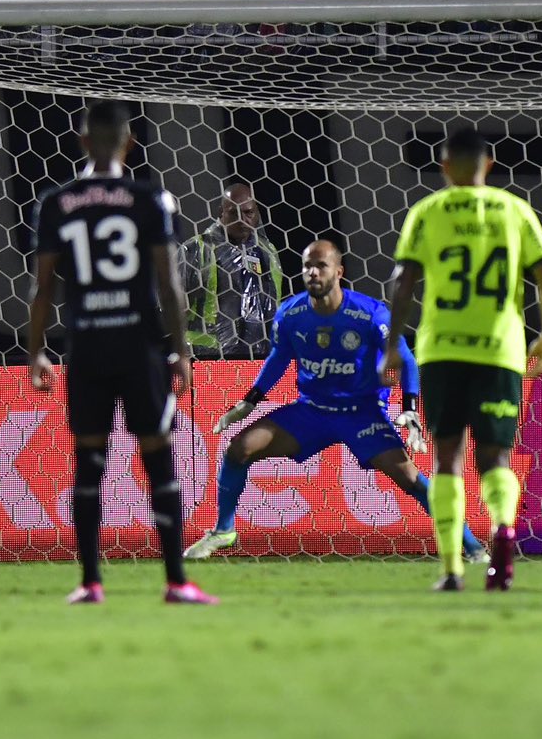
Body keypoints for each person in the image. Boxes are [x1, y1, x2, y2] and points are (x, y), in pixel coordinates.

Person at [186, 238, 485, 563]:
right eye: (307, 267)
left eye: (321, 266)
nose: (312, 273)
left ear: (338, 271)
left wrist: (411, 408)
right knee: (239, 448)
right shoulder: (291, 313)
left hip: (363, 413)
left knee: (411, 479)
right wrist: (250, 401)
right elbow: (279, 357)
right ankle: (223, 530)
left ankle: (471, 546)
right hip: (311, 412)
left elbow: (406, 360)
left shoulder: (369, 314)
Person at [25, 100, 215, 607]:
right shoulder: (147, 199)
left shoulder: (57, 202)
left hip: (86, 346)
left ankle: (90, 583)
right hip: (138, 347)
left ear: (82, 141)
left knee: (89, 463)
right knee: (158, 459)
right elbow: (169, 283)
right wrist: (180, 351)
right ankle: (177, 582)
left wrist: (37, 350)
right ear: (130, 143)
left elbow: (43, 289)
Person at [384, 124, 542, 591]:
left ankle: (449, 569)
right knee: (496, 458)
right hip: (499, 351)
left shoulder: (428, 211)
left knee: (447, 460)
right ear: (490, 165)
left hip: (443, 350)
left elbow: (403, 281)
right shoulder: (513, 210)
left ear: (443, 167)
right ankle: (502, 535)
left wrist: (390, 345)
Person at [184, 179, 284, 357]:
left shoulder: (267, 252)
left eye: (248, 213)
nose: (242, 220)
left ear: (257, 213)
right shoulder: (197, 249)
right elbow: (170, 302)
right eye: (234, 213)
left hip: (261, 357)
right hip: (208, 357)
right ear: (221, 212)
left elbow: (274, 303)